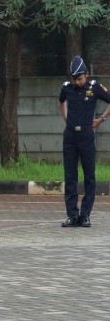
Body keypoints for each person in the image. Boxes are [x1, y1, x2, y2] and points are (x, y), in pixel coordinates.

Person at [59, 56, 110, 228]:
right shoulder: (67, 88)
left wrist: (101, 119)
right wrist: (66, 118)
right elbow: (61, 102)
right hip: (70, 137)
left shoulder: (94, 87)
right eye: (74, 79)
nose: (77, 82)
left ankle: (85, 214)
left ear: (86, 74)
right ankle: (73, 215)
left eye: (80, 78)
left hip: (86, 136)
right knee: (70, 176)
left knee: (89, 176)